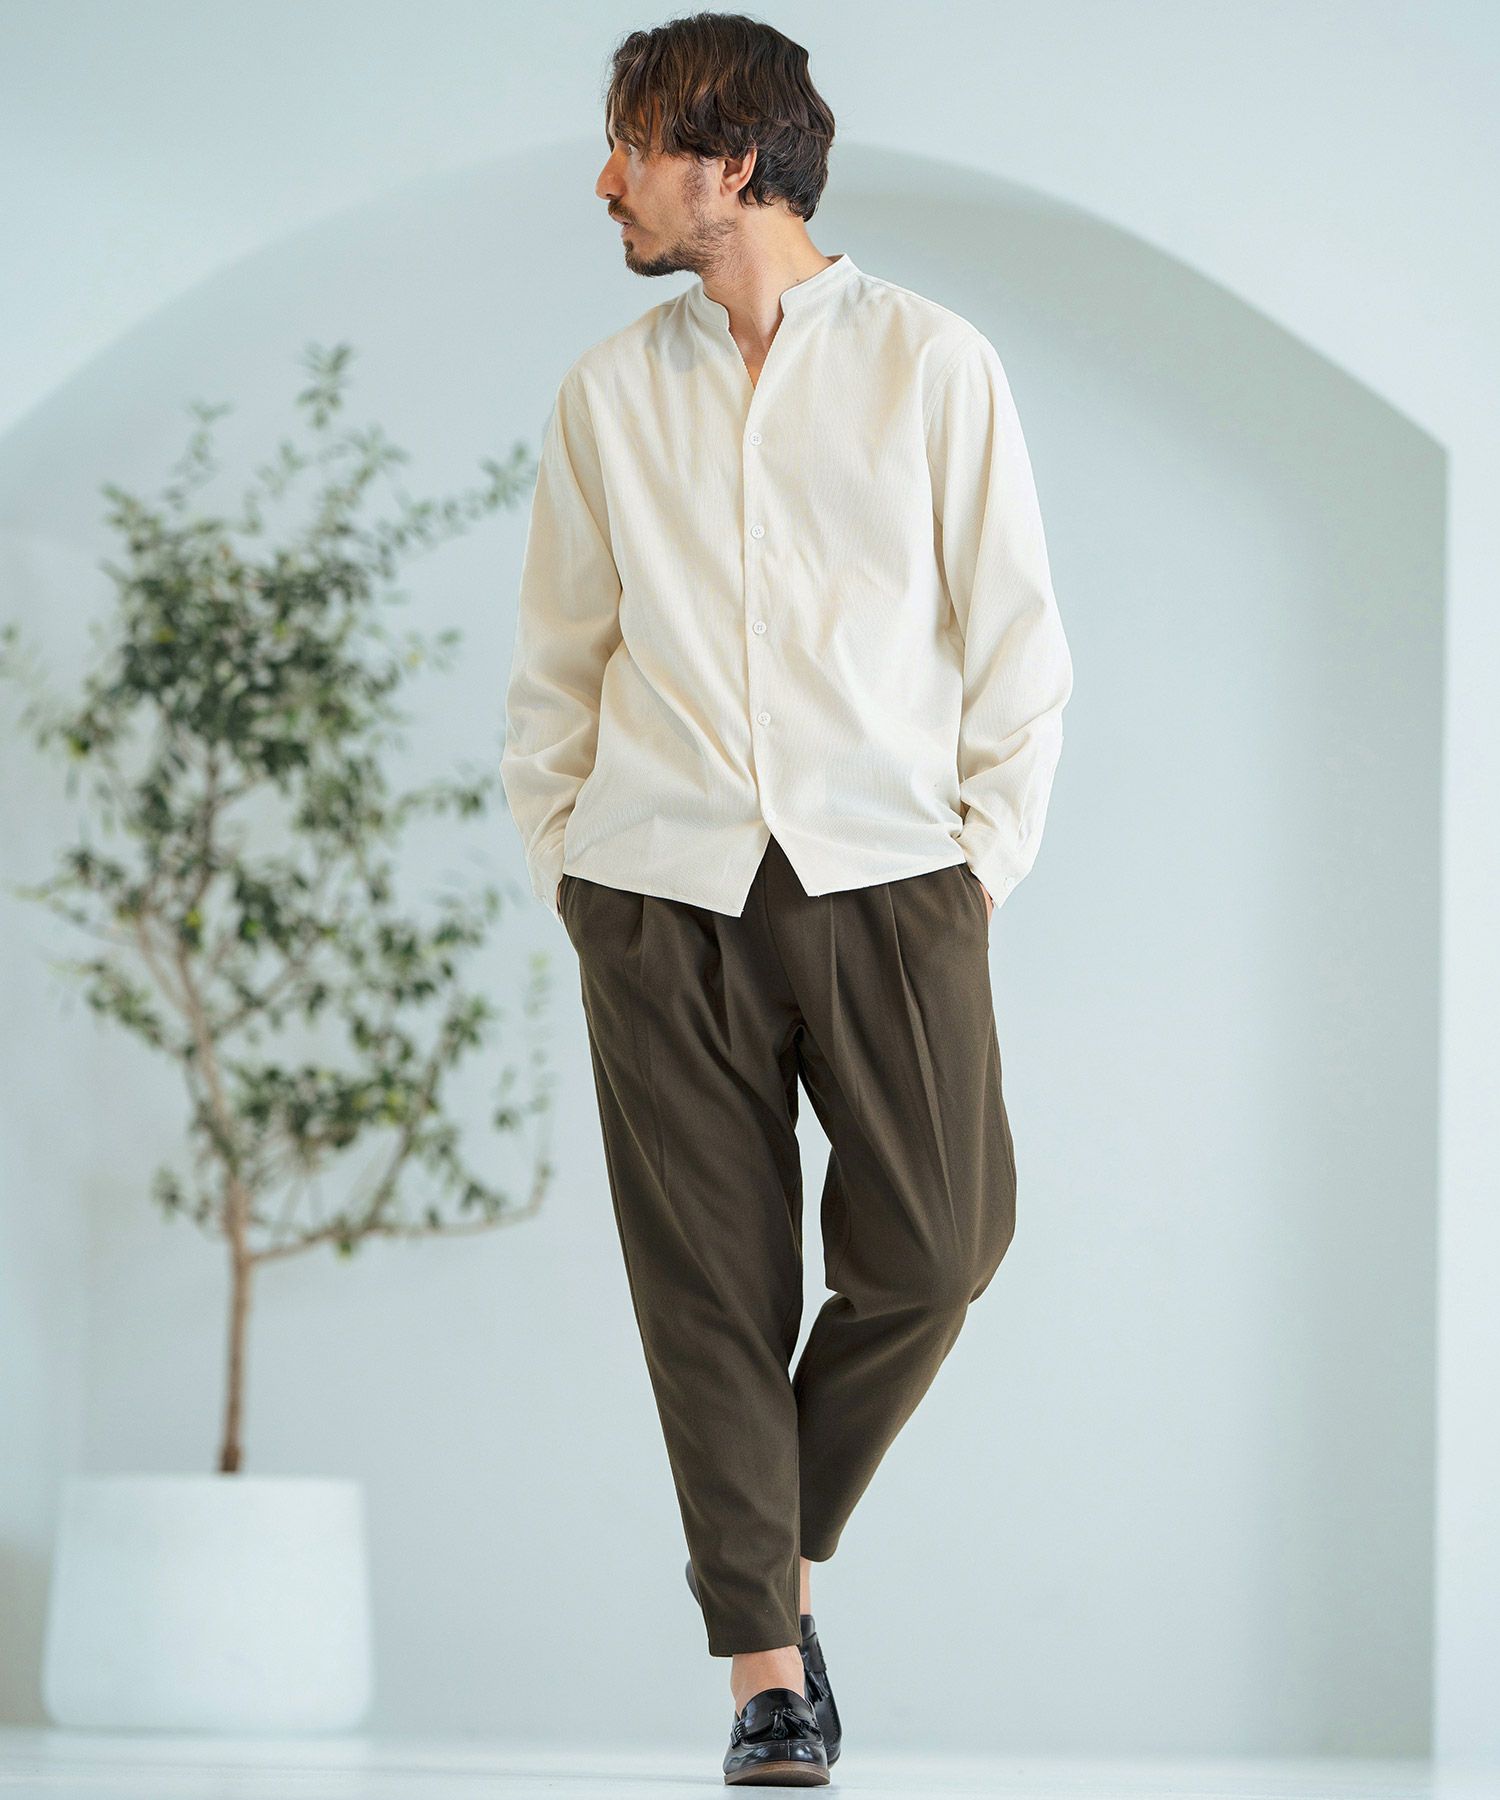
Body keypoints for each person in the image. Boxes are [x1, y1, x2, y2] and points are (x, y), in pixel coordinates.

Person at [500, 12, 1073, 1786]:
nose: (607, 179)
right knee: (709, 1293)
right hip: (655, 889)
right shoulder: (608, 394)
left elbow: (1015, 639)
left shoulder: (931, 364)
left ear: (733, 163)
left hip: (892, 877)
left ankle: (777, 1563)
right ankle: (765, 1676)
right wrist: (572, 865)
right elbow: (558, 662)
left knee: (942, 1248)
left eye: (637, 146)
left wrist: (979, 863)